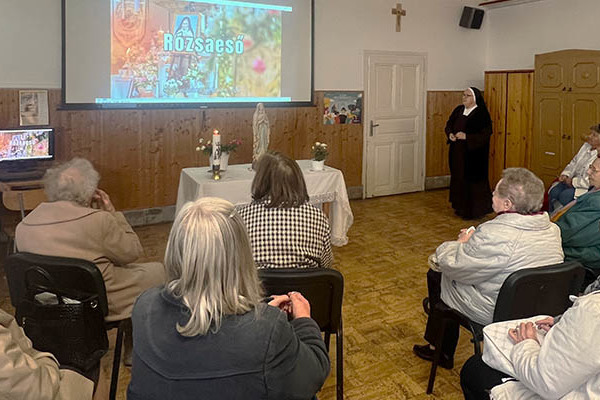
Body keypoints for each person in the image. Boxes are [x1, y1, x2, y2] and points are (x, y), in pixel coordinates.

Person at [127, 197, 330, 399]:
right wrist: (304, 321)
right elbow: (313, 375)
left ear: (175, 251)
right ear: (240, 255)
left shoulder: (144, 306)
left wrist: (263, 314)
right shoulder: (268, 330)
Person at [413, 168, 563, 369]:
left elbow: (454, 264)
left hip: (498, 309)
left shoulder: (495, 234)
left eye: (495, 192)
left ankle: (440, 348)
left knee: (438, 274)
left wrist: (460, 243)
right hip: (538, 308)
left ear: (508, 203)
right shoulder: (552, 230)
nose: (491, 194)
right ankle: (439, 341)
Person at [15, 158, 165, 322]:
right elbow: (132, 252)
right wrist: (114, 214)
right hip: (98, 301)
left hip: (48, 302)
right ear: (91, 191)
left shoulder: (23, 225)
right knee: (159, 271)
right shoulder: (99, 220)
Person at [460, 290, 600, 400]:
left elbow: (547, 384)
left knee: (475, 369)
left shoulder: (593, 309)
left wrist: (526, 343)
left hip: (484, 307)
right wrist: (570, 327)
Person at [238, 151, 333, 269]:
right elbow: (326, 265)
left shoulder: (241, 218)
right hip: (304, 286)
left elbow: (236, 266)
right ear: (298, 180)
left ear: (260, 180)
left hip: (258, 286)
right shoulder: (317, 217)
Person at [0, 308, 94, 400]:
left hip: (25, 368)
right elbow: (31, 388)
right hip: (35, 385)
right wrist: (47, 360)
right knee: (93, 366)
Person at [446, 87, 493, 219]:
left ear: (475, 98)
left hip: (474, 155)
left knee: (472, 181)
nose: (464, 98)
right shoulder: (458, 110)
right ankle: (459, 207)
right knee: (458, 177)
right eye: (463, 95)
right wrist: (450, 134)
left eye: (467, 95)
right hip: (457, 152)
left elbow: (485, 134)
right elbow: (449, 124)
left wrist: (467, 137)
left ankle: (474, 211)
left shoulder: (481, 114)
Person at [554, 156, 600, 288]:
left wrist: (544, 231)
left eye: (593, 170)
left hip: (583, 260)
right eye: (590, 167)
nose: (588, 172)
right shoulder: (594, 192)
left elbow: (568, 234)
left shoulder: (597, 202)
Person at [548, 124, 600, 213]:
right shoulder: (586, 146)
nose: (589, 136)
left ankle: (561, 219)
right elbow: (574, 162)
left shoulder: (598, 155)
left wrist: (572, 182)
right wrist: (565, 174)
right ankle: (551, 217)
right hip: (571, 180)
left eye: (594, 135)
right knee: (554, 191)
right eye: (591, 133)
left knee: (565, 196)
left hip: (584, 187)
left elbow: (592, 180)